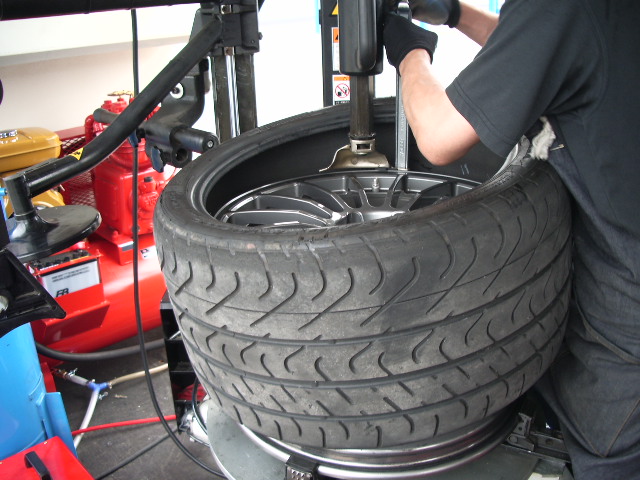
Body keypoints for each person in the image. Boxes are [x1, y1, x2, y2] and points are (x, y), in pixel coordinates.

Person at [382, 1, 640, 479]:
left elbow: (437, 135)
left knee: (611, 453)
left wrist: (410, 54)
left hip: (627, 317)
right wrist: (455, 13)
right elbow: (543, 49)